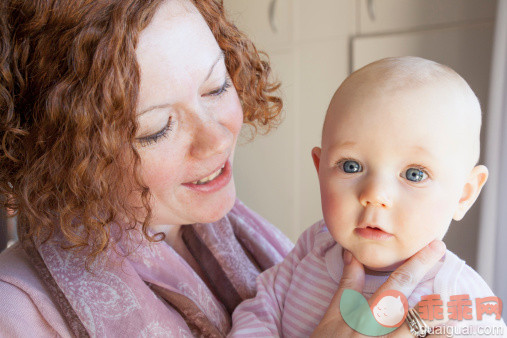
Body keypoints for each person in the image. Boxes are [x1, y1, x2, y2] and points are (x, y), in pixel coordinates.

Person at [0, 0, 452, 336]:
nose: (217, 139)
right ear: (64, 152)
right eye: (156, 129)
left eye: (216, 87)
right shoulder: (17, 311)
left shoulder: (230, 230)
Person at [230, 57, 507, 337]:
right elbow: (259, 311)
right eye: (351, 166)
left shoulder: (459, 302)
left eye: (414, 174)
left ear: (464, 194)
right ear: (320, 170)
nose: (374, 195)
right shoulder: (313, 246)